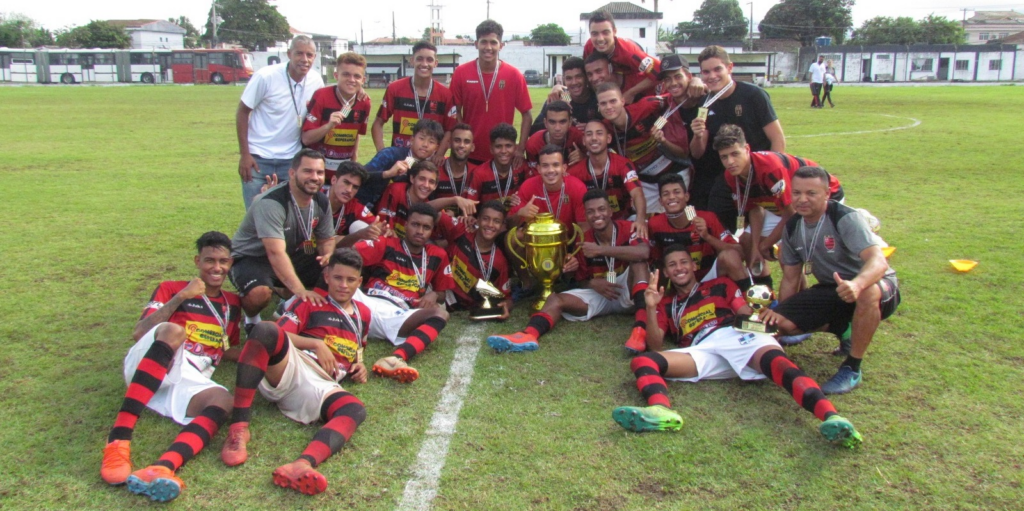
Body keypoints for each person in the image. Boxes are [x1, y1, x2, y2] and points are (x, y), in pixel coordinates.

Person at [610, 246, 863, 449]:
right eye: (672, 265)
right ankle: (660, 411)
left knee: (778, 365)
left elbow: (744, 316)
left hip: (734, 334)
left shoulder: (720, 285)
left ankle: (832, 417)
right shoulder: (667, 304)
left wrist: (766, 331)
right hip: (703, 347)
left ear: (694, 265)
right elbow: (655, 344)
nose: (679, 268)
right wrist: (652, 307)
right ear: (665, 271)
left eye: (684, 262)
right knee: (643, 362)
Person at [100, 232, 241, 501]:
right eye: (209, 260)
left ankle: (164, 466)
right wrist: (180, 297)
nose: (216, 267)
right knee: (174, 331)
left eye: (223, 261)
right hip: (152, 359)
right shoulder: (170, 287)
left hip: (189, 374)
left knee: (224, 400)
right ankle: (118, 442)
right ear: (197, 261)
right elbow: (139, 332)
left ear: (231, 263)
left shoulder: (232, 304)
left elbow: (227, 348)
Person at [220, 248, 369, 496]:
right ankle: (238, 428)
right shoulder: (311, 301)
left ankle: (302, 464)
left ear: (359, 281)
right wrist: (315, 343)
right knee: (266, 331)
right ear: (327, 276)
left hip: (322, 385)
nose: (343, 285)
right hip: (294, 365)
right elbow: (280, 332)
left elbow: (359, 346)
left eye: (350, 280)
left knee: (354, 409)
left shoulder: (364, 313)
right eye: (338, 278)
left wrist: (360, 363)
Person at [759, 166, 901, 395]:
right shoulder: (794, 225)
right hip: (833, 289)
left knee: (868, 292)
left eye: (811, 193)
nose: (802, 199)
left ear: (827, 194)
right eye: (796, 193)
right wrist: (786, 312)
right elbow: (790, 278)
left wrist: (857, 284)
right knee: (782, 325)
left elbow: (879, 261)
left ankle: (852, 367)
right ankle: (844, 329)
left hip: (876, 286)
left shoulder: (844, 217)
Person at [487, 190, 649, 352]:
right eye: (590, 212)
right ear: (585, 215)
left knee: (639, 264)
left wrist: (601, 250)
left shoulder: (630, 228)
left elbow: (643, 253)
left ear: (610, 211)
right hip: (602, 292)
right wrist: (589, 281)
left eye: (601, 209)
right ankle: (528, 334)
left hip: (627, 289)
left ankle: (640, 331)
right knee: (555, 299)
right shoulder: (583, 238)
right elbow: (580, 281)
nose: (597, 215)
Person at [713, 124, 843, 284]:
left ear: (747, 148)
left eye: (735, 154)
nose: (730, 162)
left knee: (785, 250)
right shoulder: (731, 175)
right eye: (724, 157)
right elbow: (755, 210)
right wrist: (756, 248)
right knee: (747, 240)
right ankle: (763, 294)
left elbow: (792, 213)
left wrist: (766, 244)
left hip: (819, 196)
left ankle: (801, 296)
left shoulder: (770, 169)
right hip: (786, 204)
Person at [229, 149, 336, 333]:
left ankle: (291, 304)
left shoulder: (321, 200)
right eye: (308, 171)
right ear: (292, 173)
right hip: (251, 257)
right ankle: (251, 319)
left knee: (336, 268)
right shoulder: (272, 202)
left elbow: (327, 238)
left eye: (319, 172)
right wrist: (300, 291)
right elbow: (274, 252)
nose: (315, 177)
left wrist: (327, 255)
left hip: (289, 253)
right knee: (259, 294)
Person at [685, 45, 785, 231]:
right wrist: (698, 135)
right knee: (721, 227)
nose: (712, 76)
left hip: (755, 176)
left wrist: (768, 174)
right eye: (706, 72)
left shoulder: (753, 95)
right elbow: (697, 153)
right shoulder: (704, 102)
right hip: (723, 178)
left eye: (717, 69)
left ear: (730, 68)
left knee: (760, 230)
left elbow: (777, 139)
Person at [352, 202, 454, 382]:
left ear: (432, 231)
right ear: (405, 225)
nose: (420, 231)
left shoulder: (438, 255)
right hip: (365, 306)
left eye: (426, 227)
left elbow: (442, 292)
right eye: (415, 224)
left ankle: (396, 358)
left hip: (397, 315)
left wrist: (434, 294)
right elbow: (348, 256)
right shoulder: (386, 243)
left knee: (441, 313)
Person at [237, 36, 324, 209]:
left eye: (309, 55)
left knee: (290, 217)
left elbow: (331, 100)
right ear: (289, 54)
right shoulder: (266, 76)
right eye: (299, 53)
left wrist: (357, 92)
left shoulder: (316, 81)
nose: (304, 59)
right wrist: (245, 155)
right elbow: (242, 112)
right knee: (256, 216)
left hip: (291, 160)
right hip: (258, 159)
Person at [450, 19, 532, 166]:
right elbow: (454, 111)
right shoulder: (461, 73)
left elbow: (527, 114)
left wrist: (520, 148)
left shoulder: (514, 75)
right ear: (476, 44)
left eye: (493, 42)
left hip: (502, 154)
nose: (488, 47)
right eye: (484, 42)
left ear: (501, 45)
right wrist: (463, 140)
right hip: (469, 153)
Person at [597, 82, 688, 214]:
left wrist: (694, 84)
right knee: (647, 219)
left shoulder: (646, 105)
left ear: (622, 101)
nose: (609, 107)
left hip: (674, 168)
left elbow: (675, 97)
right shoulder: (604, 128)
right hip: (646, 179)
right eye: (603, 103)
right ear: (598, 107)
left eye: (613, 101)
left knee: (681, 214)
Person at [372, 41, 457, 161]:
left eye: (429, 60)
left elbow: (450, 129)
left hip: (429, 163)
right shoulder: (395, 89)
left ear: (435, 63)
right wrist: (382, 153)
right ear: (412, 61)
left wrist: (439, 154)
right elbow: (378, 123)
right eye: (420, 59)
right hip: (400, 160)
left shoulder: (445, 94)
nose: (424, 64)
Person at [302, 52, 371, 182]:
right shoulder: (321, 96)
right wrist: (328, 126)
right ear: (336, 75)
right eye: (346, 74)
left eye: (357, 76)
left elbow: (356, 135)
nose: (351, 80)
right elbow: (306, 139)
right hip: (317, 173)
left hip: (342, 174)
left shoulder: (365, 102)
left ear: (363, 80)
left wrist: (353, 165)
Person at [567, 120, 645, 229]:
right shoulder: (574, 172)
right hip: (591, 225)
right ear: (584, 140)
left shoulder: (623, 164)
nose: (594, 138)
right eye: (589, 134)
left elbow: (637, 193)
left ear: (608, 138)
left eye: (599, 133)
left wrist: (640, 220)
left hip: (623, 220)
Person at [440, 200, 512, 313]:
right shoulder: (462, 230)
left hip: (462, 306)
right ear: (477, 219)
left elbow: (506, 298)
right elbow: (427, 211)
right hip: (441, 293)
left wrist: (505, 306)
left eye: (496, 221)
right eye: (485, 218)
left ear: (502, 226)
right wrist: (454, 199)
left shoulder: (499, 261)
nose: (490, 224)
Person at [355, 119, 444, 209]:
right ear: (412, 139)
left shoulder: (430, 170)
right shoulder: (390, 154)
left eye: (431, 142)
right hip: (364, 207)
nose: (425, 144)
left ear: (436, 148)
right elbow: (358, 176)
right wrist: (388, 173)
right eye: (421, 138)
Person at [584, 9, 660, 104]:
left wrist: (631, 93)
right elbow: (581, 75)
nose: (600, 39)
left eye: (605, 32)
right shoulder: (589, 46)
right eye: (595, 34)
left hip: (638, 95)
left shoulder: (630, 52)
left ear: (614, 32)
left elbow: (660, 73)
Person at [508, 145, 589, 231]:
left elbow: (584, 227)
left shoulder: (577, 187)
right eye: (545, 166)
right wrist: (520, 214)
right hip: (538, 241)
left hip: (569, 240)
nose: (551, 170)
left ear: (564, 168)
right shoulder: (528, 186)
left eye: (556, 165)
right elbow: (509, 225)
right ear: (538, 169)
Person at [376, 160, 460, 240]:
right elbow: (384, 228)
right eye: (422, 179)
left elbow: (447, 236)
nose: (426, 185)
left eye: (431, 182)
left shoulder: (431, 207)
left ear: (435, 186)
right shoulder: (395, 190)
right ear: (412, 178)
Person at [650, 54, 705, 177]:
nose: (673, 83)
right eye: (668, 79)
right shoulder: (668, 107)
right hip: (693, 172)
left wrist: (699, 80)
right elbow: (684, 153)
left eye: (678, 76)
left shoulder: (705, 97)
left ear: (689, 77)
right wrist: (663, 141)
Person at [530, 57, 601, 134]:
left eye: (578, 77)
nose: (574, 82)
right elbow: (534, 131)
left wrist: (592, 127)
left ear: (586, 77)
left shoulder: (597, 98)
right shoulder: (561, 97)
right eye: (569, 78)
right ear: (564, 80)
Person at [465, 123, 530, 206]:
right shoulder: (479, 174)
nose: (503, 151)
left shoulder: (522, 167)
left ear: (515, 148)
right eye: (498, 146)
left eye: (508, 146)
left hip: (515, 217)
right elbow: (470, 208)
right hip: (489, 218)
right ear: (491, 149)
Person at [325, 161, 386, 247]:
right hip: (307, 250)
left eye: (355, 187)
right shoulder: (315, 199)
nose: (349, 190)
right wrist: (357, 235)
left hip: (335, 253)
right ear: (334, 180)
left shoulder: (354, 205)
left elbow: (378, 225)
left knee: (359, 226)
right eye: (346, 182)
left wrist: (384, 230)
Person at [524, 100, 584, 171]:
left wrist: (584, 157)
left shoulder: (579, 136)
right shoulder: (533, 144)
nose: (557, 128)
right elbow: (532, 174)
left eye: (562, 122)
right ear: (545, 123)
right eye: (552, 122)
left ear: (570, 122)